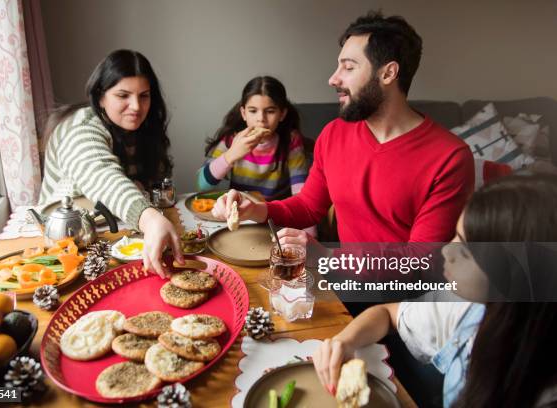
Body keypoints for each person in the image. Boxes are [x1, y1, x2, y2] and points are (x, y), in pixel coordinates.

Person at [211, 12, 474, 244]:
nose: (333, 78)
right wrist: (256, 210)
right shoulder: (334, 133)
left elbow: (420, 262)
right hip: (344, 283)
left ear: (388, 73)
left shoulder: (450, 158)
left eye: (348, 67)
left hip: (403, 297)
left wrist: (324, 258)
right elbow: (308, 206)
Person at [312, 174, 557, 408]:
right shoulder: (464, 306)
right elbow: (387, 314)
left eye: (465, 251)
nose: (445, 252)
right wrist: (343, 342)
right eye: (455, 237)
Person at [39, 49, 184, 277]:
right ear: (100, 97)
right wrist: (149, 218)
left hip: (114, 233)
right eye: (123, 95)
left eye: (144, 95)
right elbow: (102, 175)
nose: (136, 106)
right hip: (64, 246)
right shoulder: (80, 128)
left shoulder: (140, 128)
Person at [197, 76, 309, 201]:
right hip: (239, 213)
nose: (261, 118)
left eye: (270, 111)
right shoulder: (231, 140)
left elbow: (300, 192)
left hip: (274, 214)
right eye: (253, 111)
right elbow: (202, 185)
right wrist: (231, 154)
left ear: (282, 114)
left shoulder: (291, 140)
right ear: (244, 113)